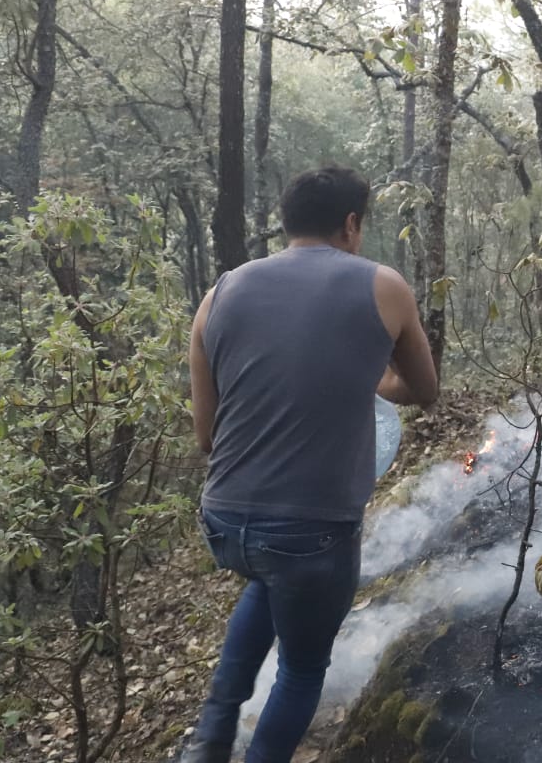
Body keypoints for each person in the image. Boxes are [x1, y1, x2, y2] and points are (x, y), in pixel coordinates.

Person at [179, 167, 438, 763]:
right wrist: (369, 375)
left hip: (223, 520)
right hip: (312, 529)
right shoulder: (383, 285)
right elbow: (422, 389)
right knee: (301, 668)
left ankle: (207, 742)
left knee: (270, 582)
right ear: (351, 223)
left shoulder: (218, 292)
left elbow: (204, 436)